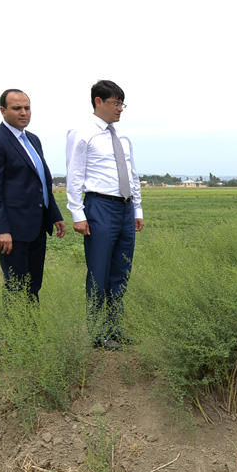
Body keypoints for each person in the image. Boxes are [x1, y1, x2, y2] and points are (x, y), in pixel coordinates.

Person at [66, 80, 144, 349]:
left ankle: (115, 326)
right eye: (115, 103)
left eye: (122, 103)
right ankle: (98, 331)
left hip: (125, 207)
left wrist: (137, 208)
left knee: (121, 270)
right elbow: (75, 174)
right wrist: (77, 213)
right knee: (99, 270)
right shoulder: (82, 133)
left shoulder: (122, 137)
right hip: (100, 206)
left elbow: (132, 174)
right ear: (98, 101)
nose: (120, 109)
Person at [0, 89, 66, 301]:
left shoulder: (33, 140)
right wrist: (1, 230)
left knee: (34, 284)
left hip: (36, 226)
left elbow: (41, 181)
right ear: (3, 110)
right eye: (17, 108)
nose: (24, 112)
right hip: (12, 230)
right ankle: (17, 333)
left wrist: (54, 215)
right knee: (16, 285)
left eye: (27, 108)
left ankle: (31, 331)